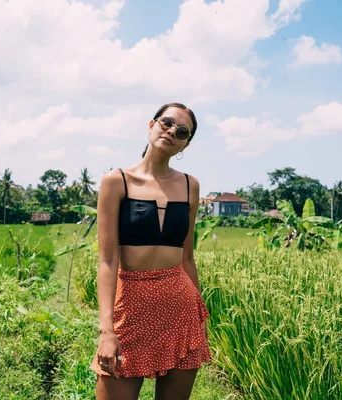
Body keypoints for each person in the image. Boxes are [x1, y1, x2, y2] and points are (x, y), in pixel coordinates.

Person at [90, 103, 211, 400]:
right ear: (151, 125)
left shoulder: (189, 185)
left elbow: (187, 257)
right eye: (166, 122)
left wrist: (198, 319)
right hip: (130, 307)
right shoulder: (117, 181)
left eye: (182, 131)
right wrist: (107, 330)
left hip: (180, 309)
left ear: (186, 144)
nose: (172, 131)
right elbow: (107, 260)